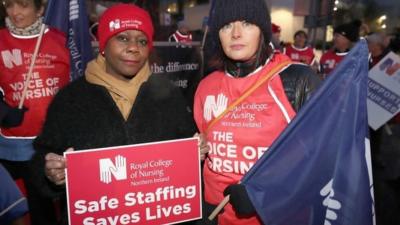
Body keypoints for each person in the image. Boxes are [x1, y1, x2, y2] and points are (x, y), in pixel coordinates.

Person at [29, 4, 204, 225]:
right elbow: (40, 160)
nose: (134, 48)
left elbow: (185, 147)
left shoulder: (169, 95)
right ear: (103, 45)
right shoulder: (70, 99)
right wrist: (51, 173)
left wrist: (195, 151)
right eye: (122, 38)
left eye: (142, 41)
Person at [193, 0, 321, 224]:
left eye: (246, 23)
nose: (235, 34)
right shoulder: (206, 85)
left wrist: (265, 192)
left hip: (275, 215)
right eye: (225, 26)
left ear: (262, 30)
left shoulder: (297, 80)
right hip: (214, 213)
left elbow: (326, 159)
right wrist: (195, 152)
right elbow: (206, 146)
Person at [0, 0, 70, 224]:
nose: (15, 13)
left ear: (40, 9)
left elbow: (73, 87)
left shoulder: (59, 39)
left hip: (46, 144)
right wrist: (2, 112)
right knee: (11, 209)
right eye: (9, 5)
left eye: (23, 5)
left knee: (43, 212)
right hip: (9, 145)